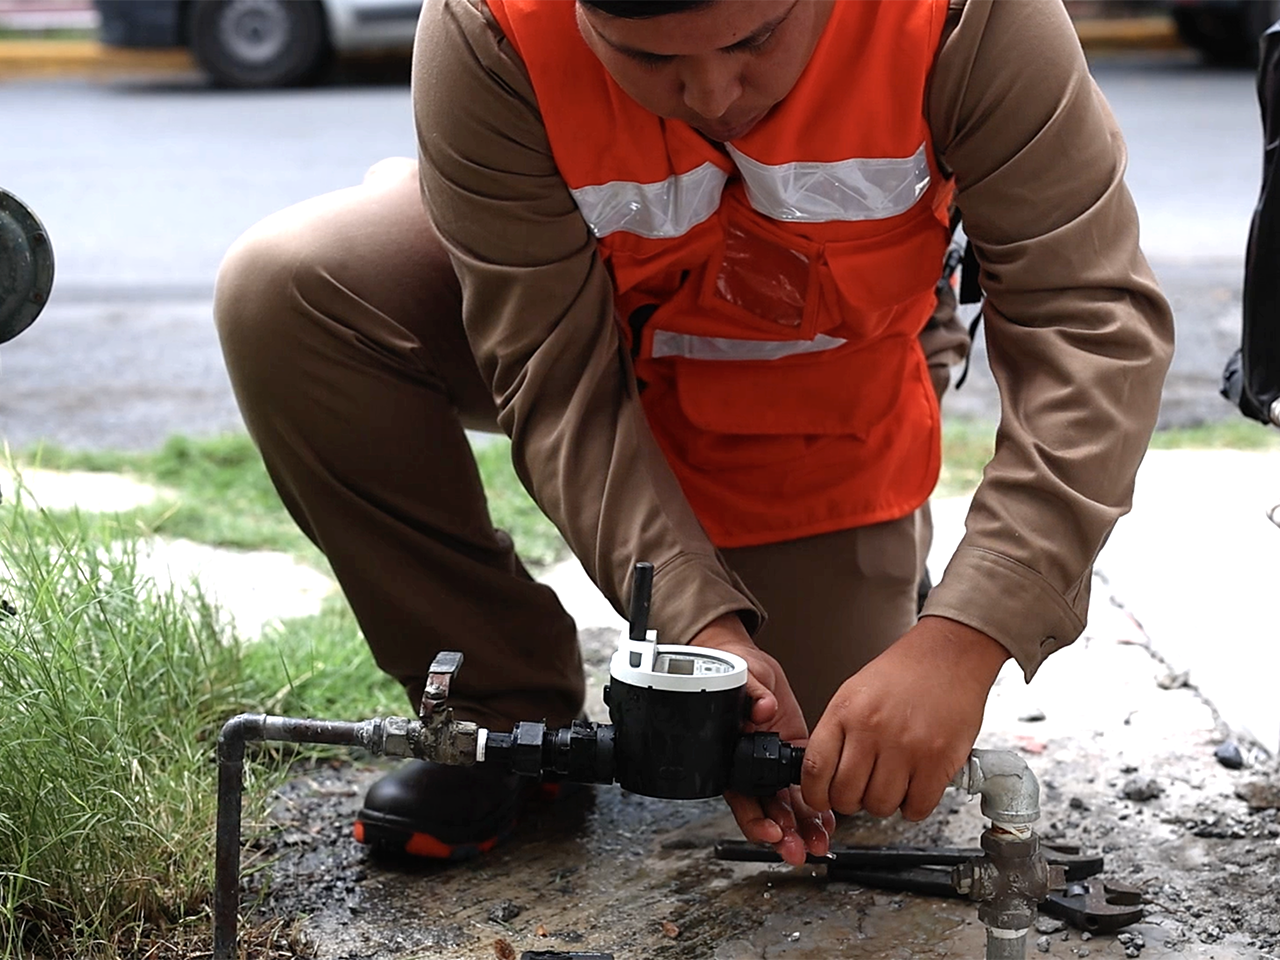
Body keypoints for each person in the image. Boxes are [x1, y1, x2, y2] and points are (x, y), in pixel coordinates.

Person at [213, 0, 1174, 867]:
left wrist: (965, 638)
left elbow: (1091, 324)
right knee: (290, 287)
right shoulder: (491, 22)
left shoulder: (970, 14)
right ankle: (497, 705)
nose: (712, 94)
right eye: (647, 56)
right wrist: (699, 635)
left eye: (756, 37)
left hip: (813, 392)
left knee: (836, 774)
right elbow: (556, 381)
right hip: (586, 328)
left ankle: (882, 572)